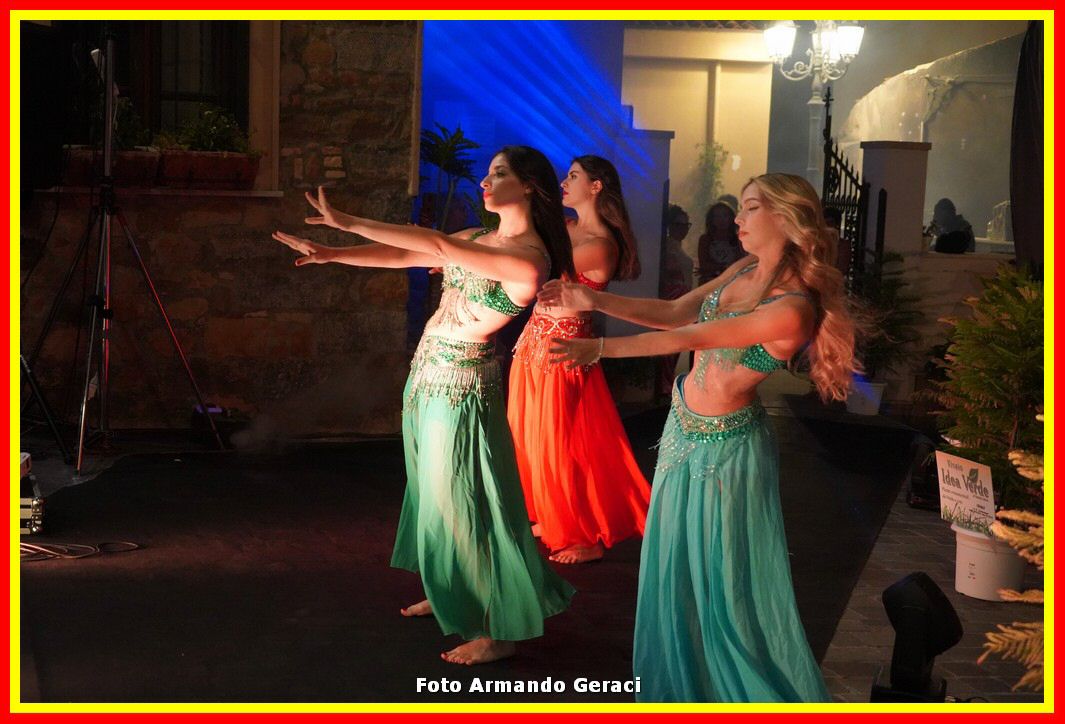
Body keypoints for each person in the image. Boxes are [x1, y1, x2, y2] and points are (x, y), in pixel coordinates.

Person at [540, 173, 857, 702]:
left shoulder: (792, 308)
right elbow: (673, 313)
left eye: (751, 208)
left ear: (786, 218)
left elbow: (695, 335)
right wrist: (592, 300)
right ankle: (679, 688)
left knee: (722, 580)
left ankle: (735, 691)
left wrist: (602, 349)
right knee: (673, 566)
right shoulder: (743, 269)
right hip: (682, 431)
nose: (738, 217)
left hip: (728, 451)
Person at [273, 145, 576, 666]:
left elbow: (433, 242)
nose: (485, 181)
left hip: (461, 385)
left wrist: (348, 221)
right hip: (427, 376)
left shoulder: (529, 258)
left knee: (466, 503)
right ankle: (450, 591)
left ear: (529, 185)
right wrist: (333, 253)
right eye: (487, 172)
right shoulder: (476, 238)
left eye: (499, 173)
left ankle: (497, 628)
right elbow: (406, 256)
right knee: (435, 496)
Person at [508, 155, 651, 565]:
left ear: (596, 186)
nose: (564, 182)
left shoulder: (601, 245)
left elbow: (541, 267)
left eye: (573, 176)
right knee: (530, 439)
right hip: (532, 347)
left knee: (561, 444)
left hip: (564, 352)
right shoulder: (567, 229)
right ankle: (552, 516)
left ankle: (584, 536)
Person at [657, 204, 695, 397]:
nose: (683, 229)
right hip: (674, 300)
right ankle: (664, 383)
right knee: (670, 346)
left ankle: (666, 381)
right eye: (678, 224)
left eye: (686, 225)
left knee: (676, 346)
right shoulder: (667, 247)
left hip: (682, 300)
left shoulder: (676, 247)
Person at [696, 201, 744, 285]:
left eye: (725, 215)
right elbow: (704, 265)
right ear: (712, 220)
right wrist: (724, 267)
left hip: (732, 283)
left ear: (731, 218)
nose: (721, 220)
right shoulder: (706, 239)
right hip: (709, 283)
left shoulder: (739, 239)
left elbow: (741, 263)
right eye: (717, 216)